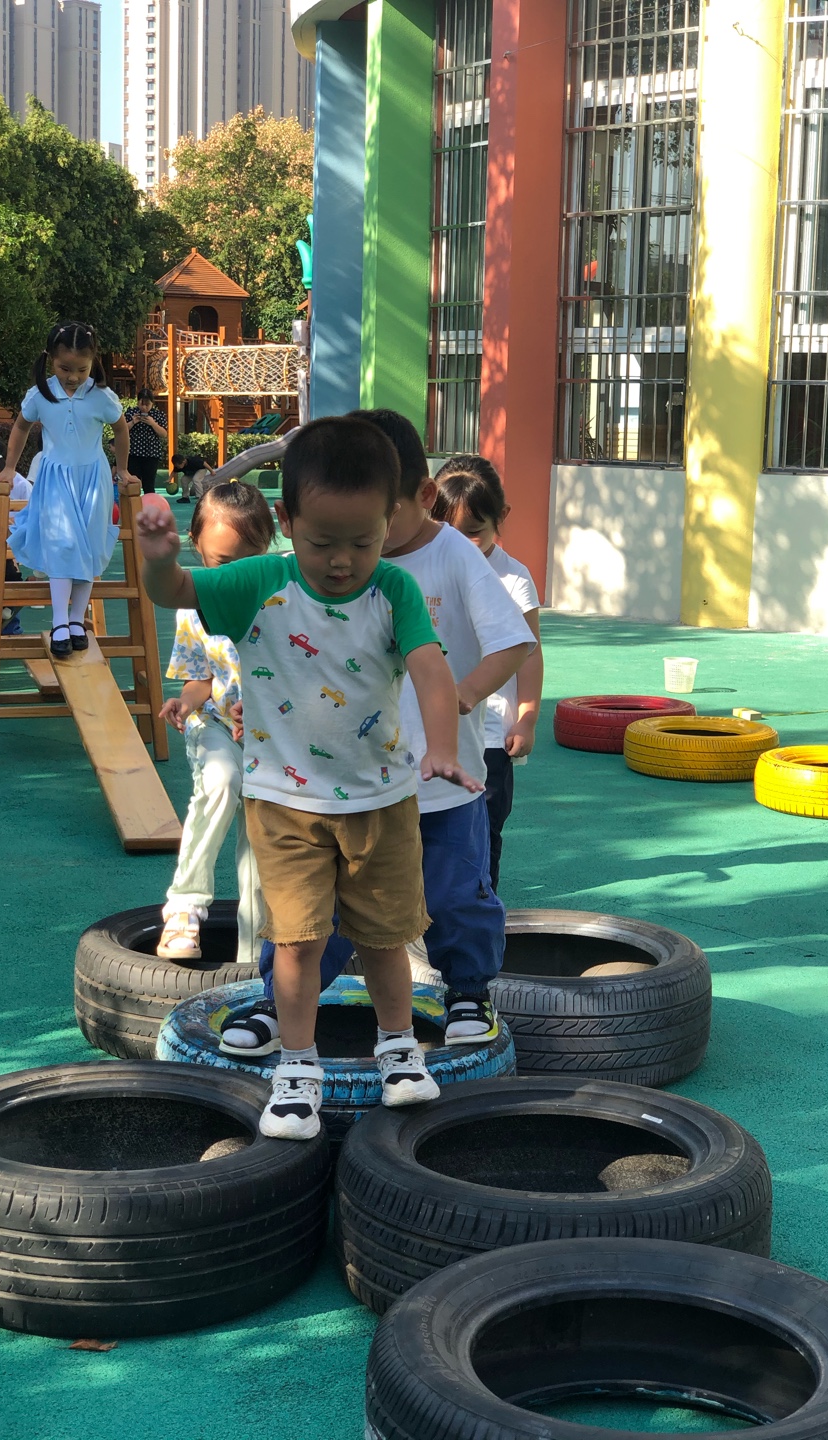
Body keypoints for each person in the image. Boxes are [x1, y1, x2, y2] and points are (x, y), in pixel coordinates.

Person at [137, 416, 483, 1140]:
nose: (342, 561)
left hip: (382, 801)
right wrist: (159, 559)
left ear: (387, 523)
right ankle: (297, 1067)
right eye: (323, 543)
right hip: (285, 802)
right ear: (289, 523)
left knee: (385, 938)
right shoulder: (260, 582)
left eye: (363, 541)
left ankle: (397, 1047)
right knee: (296, 942)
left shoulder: (393, 590)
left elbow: (429, 665)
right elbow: (175, 591)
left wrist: (444, 747)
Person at [234, 410, 536, 1059]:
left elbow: (514, 640)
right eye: (334, 536)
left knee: (456, 893)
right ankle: (278, 1002)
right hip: (344, 785)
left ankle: (468, 992)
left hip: (440, 783)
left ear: (419, 498)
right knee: (313, 909)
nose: (348, 551)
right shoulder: (326, 562)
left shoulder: (452, 555)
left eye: (372, 525)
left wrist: (463, 694)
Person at [157, 483, 274, 965]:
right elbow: (202, 679)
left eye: (249, 560)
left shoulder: (281, 596)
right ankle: (184, 907)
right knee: (223, 780)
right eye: (223, 562)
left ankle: (255, 955)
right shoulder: (195, 601)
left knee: (263, 833)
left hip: (275, 737)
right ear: (196, 545)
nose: (235, 573)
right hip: (218, 725)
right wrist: (185, 703)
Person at [433, 454, 543, 890]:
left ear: (502, 517)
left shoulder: (513, 578)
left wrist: (528, 717)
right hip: (432, 728)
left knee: (485, 826)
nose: (461, 542)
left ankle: (481, 904)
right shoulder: (427, 565)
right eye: (448, 529)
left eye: (474, 531)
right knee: (430, 828)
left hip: (492, 732)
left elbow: (529, 653)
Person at [0, 321, 136, 658]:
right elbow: (21, 427)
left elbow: (120, 430)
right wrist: (9, 468)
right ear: (50, 359)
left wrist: (122, 469)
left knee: (87, 545)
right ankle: (60, 619)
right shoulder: (40, 395)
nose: (73, 376)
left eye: (81, 369)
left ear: (93, 362)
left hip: (93, 480)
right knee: (62, 544)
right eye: (64, 368)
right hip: (55, 479)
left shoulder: (101, 396)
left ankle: (77, 620)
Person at [125, 388, 168, 495]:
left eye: (147, 405)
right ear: (137, 402)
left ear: (152, 403)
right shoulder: (131, 413)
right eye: (141, 404)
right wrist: (133, 422)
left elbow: (164, 434)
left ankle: (149, 503)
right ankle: (134, 504)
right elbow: (122, 430)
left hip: (151, 454)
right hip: (134, 453)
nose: (144, 408)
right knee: (133, 483)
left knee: (149, 485)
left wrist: (153, 423)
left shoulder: (158, 415)